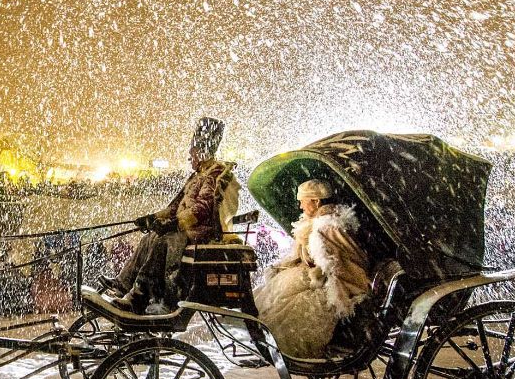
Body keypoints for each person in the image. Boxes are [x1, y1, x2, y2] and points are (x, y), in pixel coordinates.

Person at [106, 116, 237, 314]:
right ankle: (124, 284)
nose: (190, 159)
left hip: (201, 231)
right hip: (186, 228)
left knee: (162, 240)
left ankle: (144, 295)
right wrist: (152, 219)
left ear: (202, 152)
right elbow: (174, 206)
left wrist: (174, 224)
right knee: (150, 238)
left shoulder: (213, 173)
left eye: (192, 154)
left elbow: (202, 209)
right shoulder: (197, 175)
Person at [251, 179, 371, 358]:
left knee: (286, 307)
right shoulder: (313, 223)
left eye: (302, 201)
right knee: (272, 290)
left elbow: (343, 264)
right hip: (311, 274)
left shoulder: (328, 227)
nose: (300, 206)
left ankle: (282, 347)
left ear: (316, 201)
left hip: (334, 284)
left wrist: (316, 273)